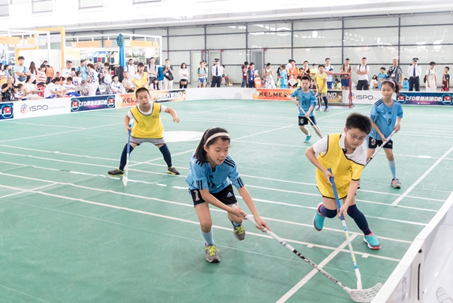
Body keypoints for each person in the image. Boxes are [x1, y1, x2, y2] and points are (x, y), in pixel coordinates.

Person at [185, 127, 270, 263]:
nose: (222, 154)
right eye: (218, 150)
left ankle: (236, 225)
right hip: (199, 189)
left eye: (226, 149)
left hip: (221, 186)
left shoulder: (229, 163)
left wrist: (256, 216)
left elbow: (241, 188)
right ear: (206, 147)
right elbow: (206, 195)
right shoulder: (197, 163)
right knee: (206, 222)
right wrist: (231, 209)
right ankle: (210, 245)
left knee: (238, 219)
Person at [306, 112, 380, 250]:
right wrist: (323, 170)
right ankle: (321, 211)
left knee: (352, 209)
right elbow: (309, 152)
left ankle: (368, 234)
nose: (356, 141)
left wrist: (345, 206)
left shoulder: (360, 155)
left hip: (345, 181)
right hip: (326, 180)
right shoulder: (330, 140)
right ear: (345, 130)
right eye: (353, 136)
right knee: (332, 212)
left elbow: (354, 181)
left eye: (361, 138)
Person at [108, 87, 181, 177]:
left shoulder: (156, 106)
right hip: (138, 134)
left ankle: (170, 167)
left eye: (146, 97)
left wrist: (175, 116)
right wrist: (126, 126)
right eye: (141, 98)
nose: (144, 100)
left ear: (149, 97)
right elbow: (127, 117)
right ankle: (120, 169)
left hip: (155, 134)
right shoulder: (134, 110)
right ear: (137, 99)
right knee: (126, 149)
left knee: (165, 150)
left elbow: (170, 110)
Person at [367, 79, 403, 189]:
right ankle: (355, 178)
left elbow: (400, 115)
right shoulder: (377, 105)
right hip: (374, 135)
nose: (386, 92)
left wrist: (398, 124)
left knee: (390, 155)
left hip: (387, 136)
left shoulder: (397, 104)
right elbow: (371, 122)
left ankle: (394, 178)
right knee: (368, 157)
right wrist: (381, 136)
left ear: (393, 90)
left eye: (388, 90)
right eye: (383, 90)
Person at [290, 76, 322, 143]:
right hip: (301, 113)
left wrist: (308, 112)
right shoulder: (298, 91)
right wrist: (295, 101)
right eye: (303, 83)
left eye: (306, 83)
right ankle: (308, 135)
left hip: (310, 113)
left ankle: (321, 138)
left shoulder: (311, 93)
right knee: (301, 127)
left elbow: (312, 104)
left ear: (309, 84)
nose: (304, 85)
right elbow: (291, 96)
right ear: (301, 83)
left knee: (314, 126)